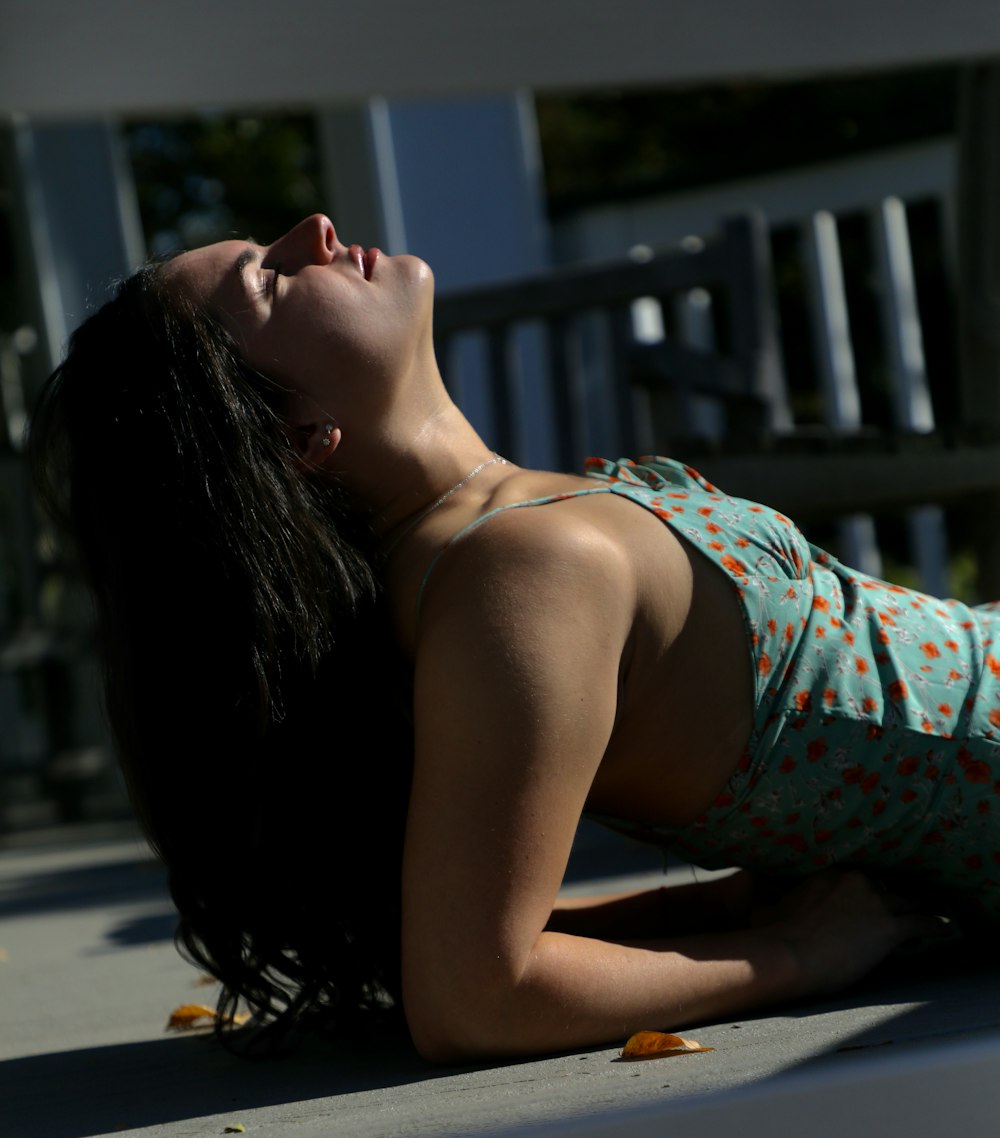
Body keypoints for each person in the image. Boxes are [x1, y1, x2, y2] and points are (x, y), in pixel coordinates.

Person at [30, 214, 993, 1063]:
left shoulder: (492, 545)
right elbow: (474, 995)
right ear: (297, 438)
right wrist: (797, 957)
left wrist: (712, 913)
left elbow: (454, 948)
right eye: (272, 280)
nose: (315, 230)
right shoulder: (516, 576)